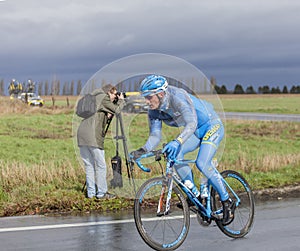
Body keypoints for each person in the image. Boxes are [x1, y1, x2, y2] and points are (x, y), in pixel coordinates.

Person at [130, 75, 235, 225]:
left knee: (202, 163)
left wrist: (177, 141)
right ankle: (195, 194)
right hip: (195, 132)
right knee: (175, 154)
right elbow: (155, 135)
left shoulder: (177, 98)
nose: (146, 101)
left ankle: (227, 201)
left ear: (160, 94)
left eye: (148, 97)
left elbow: (191, 124)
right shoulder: (153, 111)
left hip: (211, 126)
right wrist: (142, 150)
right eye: (144, 97)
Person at [77, 84, 125, 199]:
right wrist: (121, 101)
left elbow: (97, 115)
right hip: (92, 136)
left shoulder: (94, 97)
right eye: (115, 94)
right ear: (109, 92)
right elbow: (118, 110)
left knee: (89, 165)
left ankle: (91, 193)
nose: (115, 97)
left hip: (82, 134)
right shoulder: (104, 97)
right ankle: (102, 193)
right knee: (100, 165)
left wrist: (106, 115)